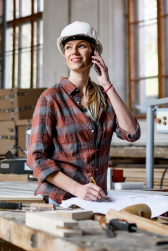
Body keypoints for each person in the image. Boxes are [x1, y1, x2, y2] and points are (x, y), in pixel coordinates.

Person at [27, 21, 140, 205]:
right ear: (65, 55)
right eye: (69, 47)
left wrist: (107, 85)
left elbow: (132, 133)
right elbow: (35, 158)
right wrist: (78, 189)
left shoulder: (105, 100)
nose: (74, 52)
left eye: (81, 46)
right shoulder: (51, 98)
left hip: (93, 201)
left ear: (95, 53)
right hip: (57, 199)